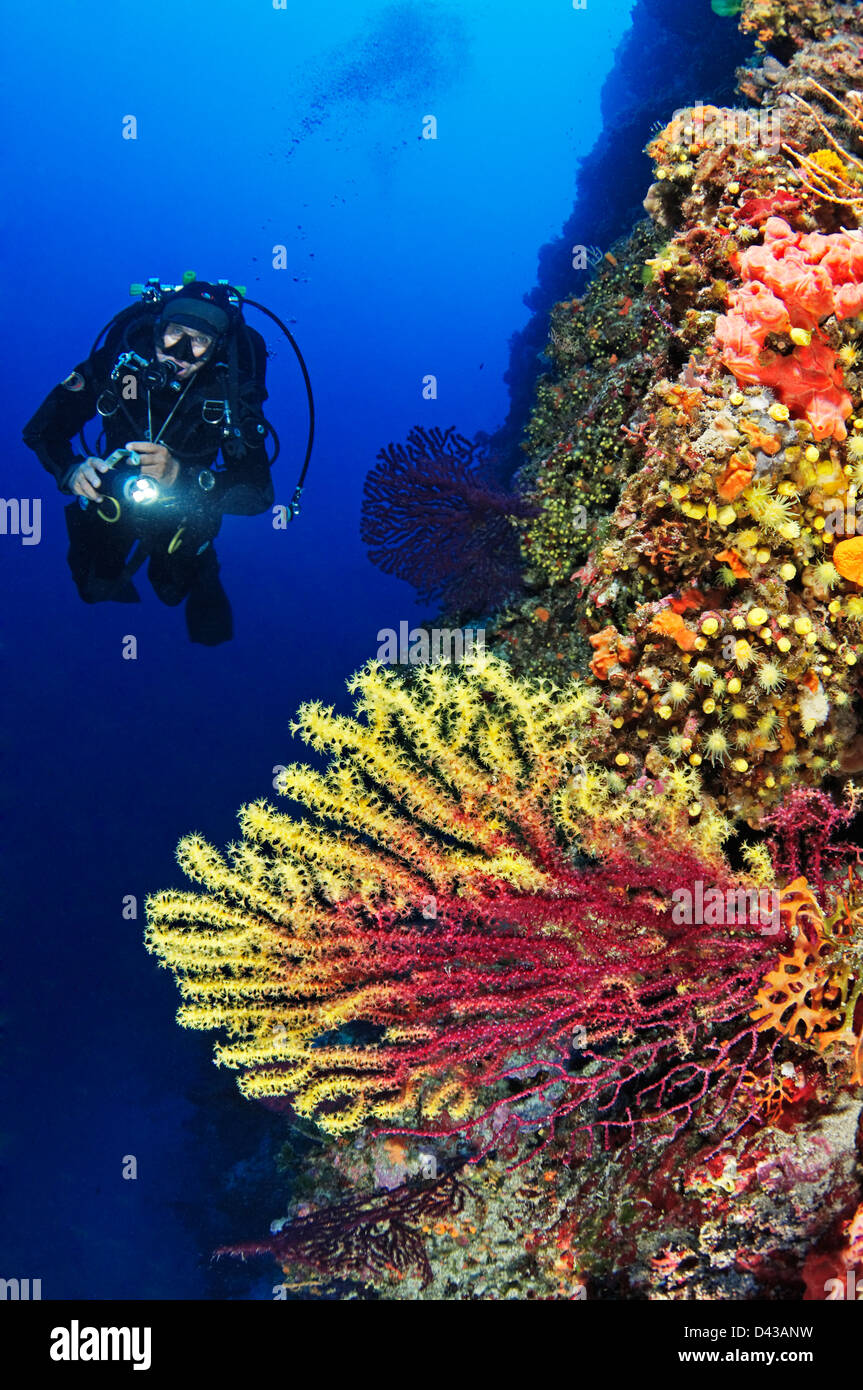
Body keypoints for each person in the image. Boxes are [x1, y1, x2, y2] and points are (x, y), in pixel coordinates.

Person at [23, 279, 276, 644]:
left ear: (216, 348)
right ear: (158, 328)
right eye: (175, 333)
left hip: (185, 512)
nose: (183, 352)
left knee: (172, 592)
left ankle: (206, 568)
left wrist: (183, 477)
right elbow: (41, 431)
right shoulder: (120, 365)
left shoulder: (227, 391)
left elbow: (259, 493)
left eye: (200, 341)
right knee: (93, 587)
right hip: (113, 498)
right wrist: (71, 468)